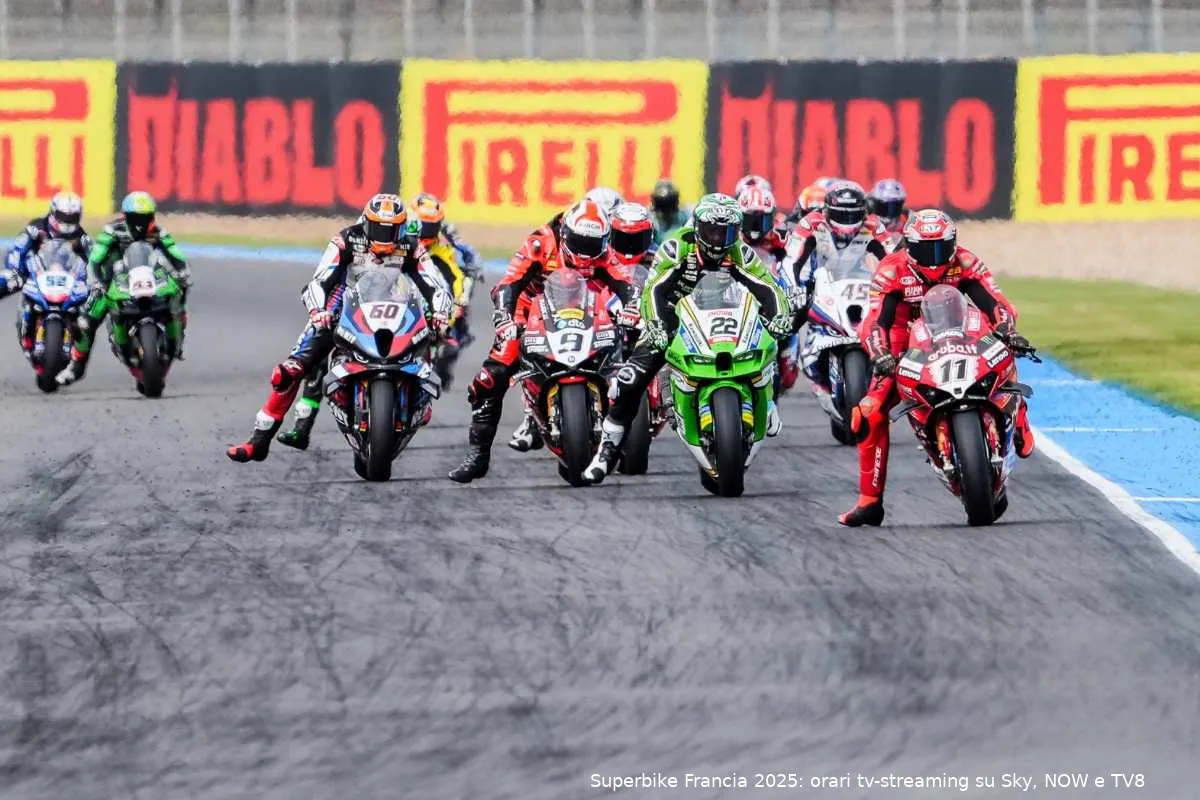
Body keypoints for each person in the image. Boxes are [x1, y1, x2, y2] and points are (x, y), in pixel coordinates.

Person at [838, 209, 1036, 527]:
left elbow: (996, 302)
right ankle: (869, 501)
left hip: (961, 331)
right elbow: (875, 321)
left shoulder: (967, 262)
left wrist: (1006, 330)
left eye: (940, 248)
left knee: (1003, 352)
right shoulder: (891, 270)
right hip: (905, 342)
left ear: (953, 243)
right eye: (924, 249)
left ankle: (1019, 416)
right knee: (869, 410)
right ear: (909, 246)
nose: (933, 259)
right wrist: (880, 355)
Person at [582, 194, 794, 485]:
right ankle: (607, 449)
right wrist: (655, 324)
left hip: (726, 311)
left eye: (727, 232)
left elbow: (768, 287)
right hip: (673, 313)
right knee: (630, 378)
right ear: (697, 228)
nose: (719, 240)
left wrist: (780, 315)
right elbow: (653, 289)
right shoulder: (675, 248)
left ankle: (767, 402)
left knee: (771, 342)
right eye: (712, 231)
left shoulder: (741, 252)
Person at [226, 193, 453, 463]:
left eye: (392, 229)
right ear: (367, 223)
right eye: (380, 228)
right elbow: (320, 281)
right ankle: (258, 441)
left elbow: (436, 285)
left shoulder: (411, 246)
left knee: (429, 334)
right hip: (344, 301)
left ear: (402, 227)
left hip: (395, 301)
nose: (386, 235)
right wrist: (318, 311)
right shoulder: (345, 239)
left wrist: (440, 312)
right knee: (288, 372)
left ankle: (418, 402)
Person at [448, 199, 637, 480]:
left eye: (592, 245)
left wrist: (633, 309)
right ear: (565, 235)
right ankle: (478, 455)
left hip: (588, 310)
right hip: (532, 311)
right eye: (579, 242)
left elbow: (627, 285)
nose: (586, 253)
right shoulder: (540, 243)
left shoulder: (604, 252)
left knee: (627, 363)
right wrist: (504, 317)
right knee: (493, 375)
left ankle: (618, 436)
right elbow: (508, 284)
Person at [274, 192, 479, 450]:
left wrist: (450, 308)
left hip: (412, 305)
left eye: (430, 228)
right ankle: (302, 426)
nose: (389, 239)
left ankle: (421, 397)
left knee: (437, 341)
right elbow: (334, 279)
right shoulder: (361, 243)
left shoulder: (435, 249)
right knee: (317, 358)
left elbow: (452, 279)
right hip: (364, 302)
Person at [56, 191, 191, 387]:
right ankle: (76, 366)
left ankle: (176, 341)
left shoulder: (158, 232)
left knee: (177, 295)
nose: (140, 223)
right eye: (136, 218)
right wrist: (96, 281)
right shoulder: (112, 231)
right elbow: (95, 258)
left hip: (151, 278)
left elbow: (174, 253)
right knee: (86, 320)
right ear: (126, 217)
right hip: (114, 281)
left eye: (145, 218)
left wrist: (183, 271)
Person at [783, 180, 892, 323]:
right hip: (811, 287)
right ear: (827, 210)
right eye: (841, 215)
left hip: (856, 287)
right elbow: (790, 262)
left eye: (853, 215)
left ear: (864, 212)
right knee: (790, 320)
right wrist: (794, 289)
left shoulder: (873, 225)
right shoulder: (811, 223)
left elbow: (894, 259)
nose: (847, 223)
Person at [0, 192, 93, 356]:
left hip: (66, 281)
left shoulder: (81, 236)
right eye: (63, 216)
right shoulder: (37, 227)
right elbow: (17, 250)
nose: (67, 222)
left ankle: (78, 336)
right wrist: (15, 270)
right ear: (53, 212)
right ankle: (26, 322)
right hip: (34, 274)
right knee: (6, 281)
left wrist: (90, 280)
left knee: (92, 299)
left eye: (72, 217)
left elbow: (91, 262)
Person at [867, 178, 909, 246]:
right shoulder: (867, 224)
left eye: (894, 206)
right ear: (873, 204)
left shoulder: (908, 225)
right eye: (883, 207)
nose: (889, 211)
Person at [649, 179, 690, 244]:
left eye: (669, 204)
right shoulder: (649, 221)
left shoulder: (685, 218)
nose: (665, 211)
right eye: (661, 204)